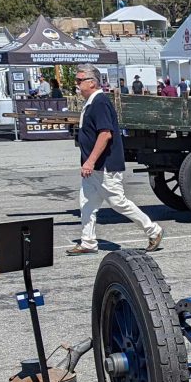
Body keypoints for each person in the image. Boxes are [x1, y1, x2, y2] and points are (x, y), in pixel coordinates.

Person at [68, 64, 162, 255]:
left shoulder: (100, 102)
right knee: (86, 203)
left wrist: (90, 161)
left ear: (92, 82)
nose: (76, 84)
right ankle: (88, 242)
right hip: (95, 167)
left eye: (79, 81)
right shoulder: (92, 102)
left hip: (104, 166)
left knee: (118, 202)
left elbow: (105, 134)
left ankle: (153, 230)